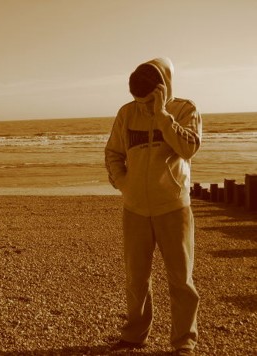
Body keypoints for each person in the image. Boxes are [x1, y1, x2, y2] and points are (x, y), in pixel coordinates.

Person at [105, 57, 201, 356]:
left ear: (164, 88)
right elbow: (113, 153)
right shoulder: (126, 113)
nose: (143, 106)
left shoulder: (185, 109)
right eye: (140, 101)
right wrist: (123, 184)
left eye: (149, 101)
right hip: (134, 209)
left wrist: (161, 115)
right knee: (136, 277)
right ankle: (135, 334)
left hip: (173, 207)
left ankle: (184, 341)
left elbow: (189, 148)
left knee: (181, 280)